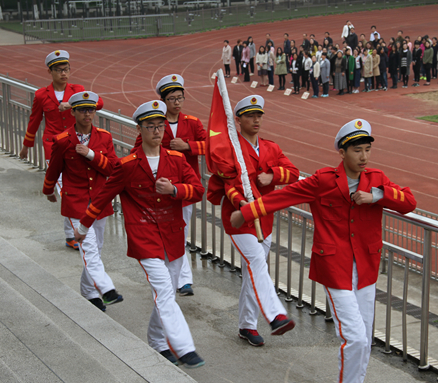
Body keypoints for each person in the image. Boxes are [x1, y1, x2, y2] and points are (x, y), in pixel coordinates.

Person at [231, 119, 417, 383]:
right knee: (354, 336)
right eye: (357, 150)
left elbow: (409, 202)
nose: (364, 156)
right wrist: (246, 212)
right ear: (342, 153)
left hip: (366, 268)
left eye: (367, 149)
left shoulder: (377, 180)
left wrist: (376, 196)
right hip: (334, 267)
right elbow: (284, 196)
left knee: (364, 338)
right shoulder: (323, 180)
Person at [75, 101, 205, 368]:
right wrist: (83, 227)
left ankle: (157, 342)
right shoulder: (127, 165)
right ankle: (184, 347)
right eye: (150, 126)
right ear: (140, 129)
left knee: (165, 290)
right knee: (164, 290)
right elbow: (101, 197)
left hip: (173, 236)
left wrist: (174, 191)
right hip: (144, 237)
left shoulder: (177, 160)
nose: (157, 131)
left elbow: (198, 190)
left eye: (160, 126)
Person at [206, 95, 298, 347]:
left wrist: (273, 175)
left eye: (259, 115)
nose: (256, 120)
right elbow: (227, 186)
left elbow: (294, 172)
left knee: (252, 273)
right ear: (238, 120)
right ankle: (276, 315)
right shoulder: (230, 150)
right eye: (250, 116)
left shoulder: (271, 147)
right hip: (239, 220)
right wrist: (241, 204)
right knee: (257, 262)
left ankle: (247, 326)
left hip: (264, 220)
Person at [43, 91, 122, 312]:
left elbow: (113, 169)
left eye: (91, 110)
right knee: (88, 247)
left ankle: (88, 292)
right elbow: (55, 168)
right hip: (75, 201)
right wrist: (49, 190)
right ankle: (106, 290)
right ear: (74, 112)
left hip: (99, 200)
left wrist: (91, 155)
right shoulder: (62, 140)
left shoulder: (104, 137)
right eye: (83, 110)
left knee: (96, 246)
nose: (88, 114)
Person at [130, 74, 207, 296]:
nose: (177, 102)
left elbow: (210, 146)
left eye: (180, 97)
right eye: (172, 98)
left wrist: (188, 146)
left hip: (183, 188)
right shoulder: (155, 123)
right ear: (163, 101)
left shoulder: (192, 122)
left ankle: (183, 280)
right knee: (164, 234)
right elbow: (137, 149)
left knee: (180, 233)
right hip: (158, 191)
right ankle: (170, 276)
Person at [20, 50, 104, 251]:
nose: (63, 73)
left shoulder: (77, 90)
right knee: (65, 190)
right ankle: (72, 234)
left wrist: (72, 103)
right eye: (58, 70)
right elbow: (34, 120)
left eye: (66, 69)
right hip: (55, 148)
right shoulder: (42, 94)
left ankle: (74, 232)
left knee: (75, 187)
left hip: (78, 144)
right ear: (50, 72)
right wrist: (26, 146)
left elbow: (99, 103)